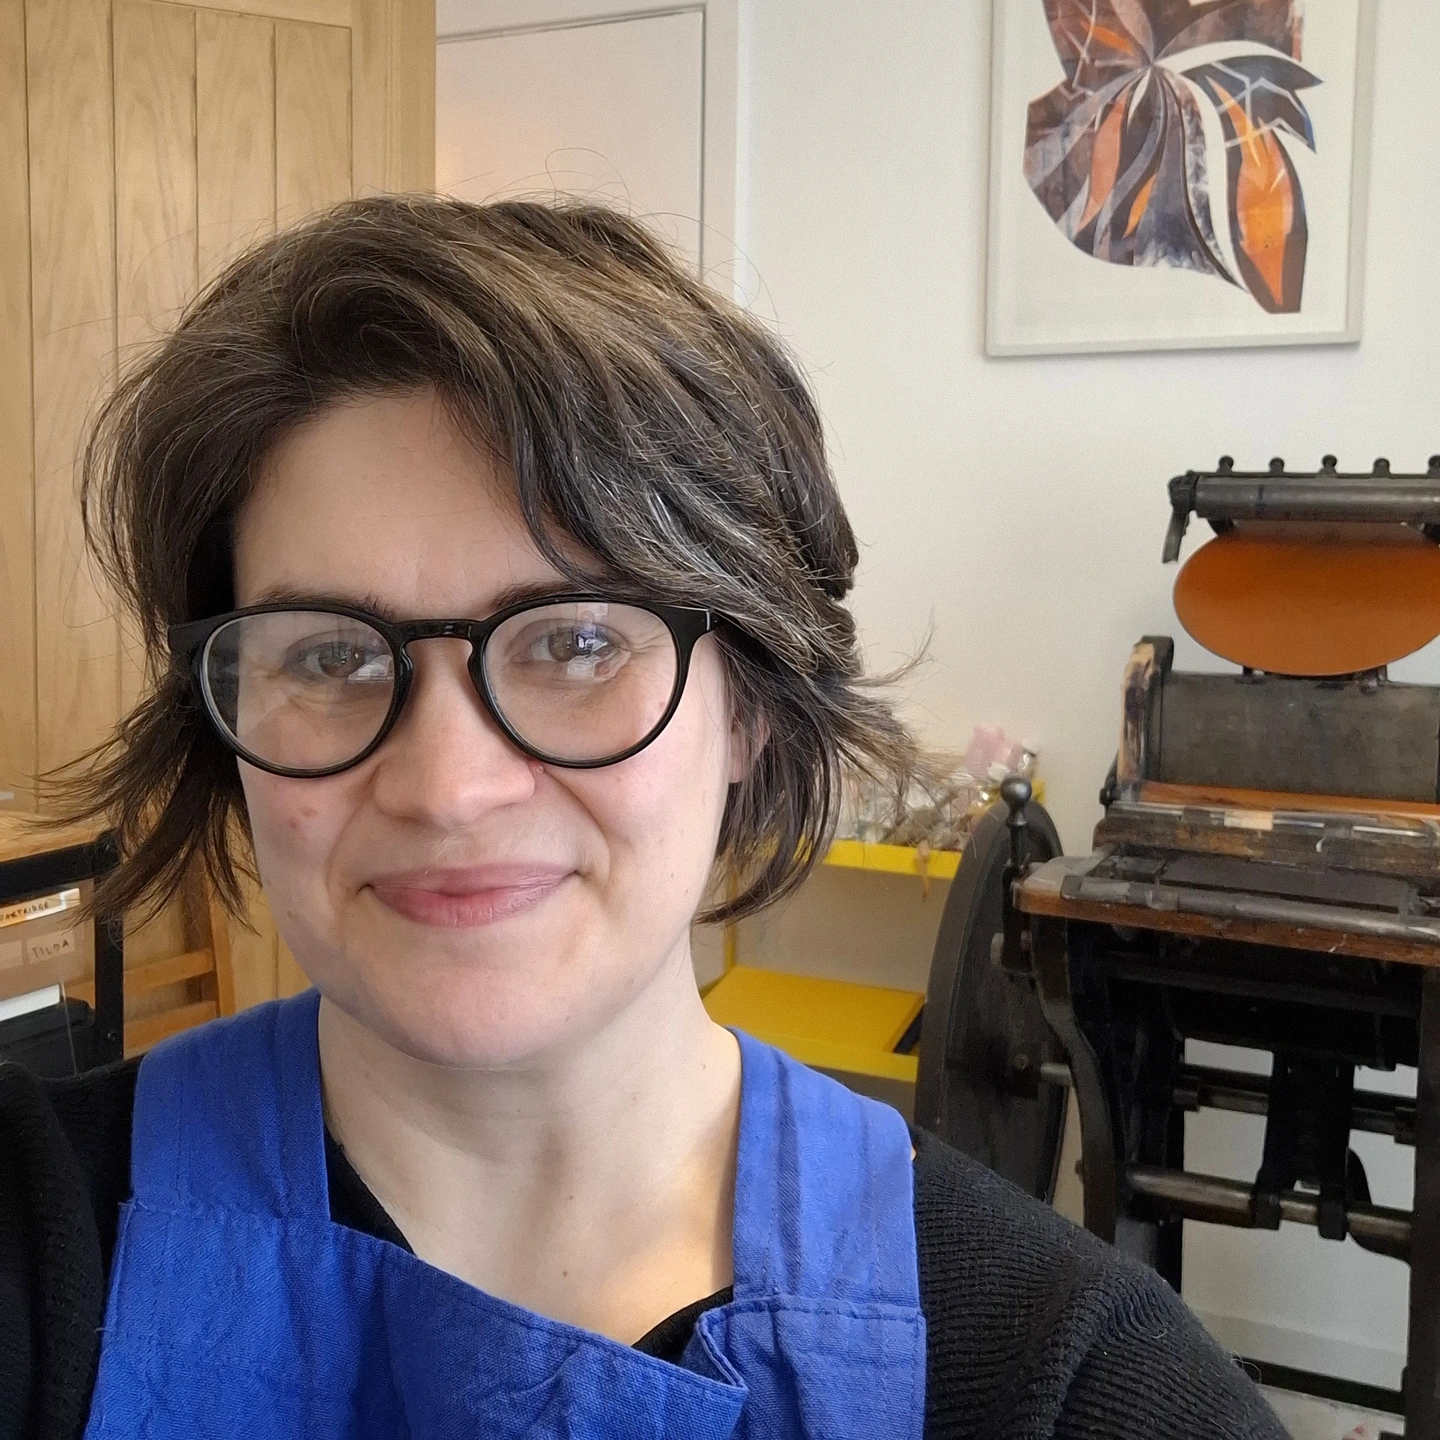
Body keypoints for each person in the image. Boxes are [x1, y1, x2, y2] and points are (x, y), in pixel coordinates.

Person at [0, 196, 1288, 1440]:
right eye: (331, 659)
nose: (446, 787)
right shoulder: (35, 1247)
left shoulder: (1069, 1383)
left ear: (752, 706)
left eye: (572, 642)